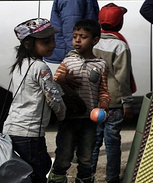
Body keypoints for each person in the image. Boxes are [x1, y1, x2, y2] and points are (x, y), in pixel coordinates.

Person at [3, 18, 67, 183]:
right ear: (28, 45)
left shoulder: (20, 64)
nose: (52, 45)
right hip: (30, 133)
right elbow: (53, 98)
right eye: (46, 41)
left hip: (11, 129)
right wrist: (62, 115)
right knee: (38, 172)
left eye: (53, 40)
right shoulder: (41, 67)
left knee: (21, 174)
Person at [49, 19, 110, 183]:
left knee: (86, 155)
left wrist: (104, 104)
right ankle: (57, 177)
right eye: (75, 36)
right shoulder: (68, 61)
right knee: (64, 152)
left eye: (83, 37)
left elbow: (103, 90)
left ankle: (84, 179)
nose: (77, 40)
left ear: (95, 40)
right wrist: (64, 78)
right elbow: (54, 82)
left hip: (89, 120)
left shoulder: (101, 64)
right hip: (68, 118)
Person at [91, 4, 133, 183]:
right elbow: (122, 77)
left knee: (93, 141)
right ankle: (112, 178)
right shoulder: (120, 45)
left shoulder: (92, 42)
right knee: (112, 142)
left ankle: (87, 175)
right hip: (114, 102)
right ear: (120, 23)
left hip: (94, 102)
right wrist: (128, 101)